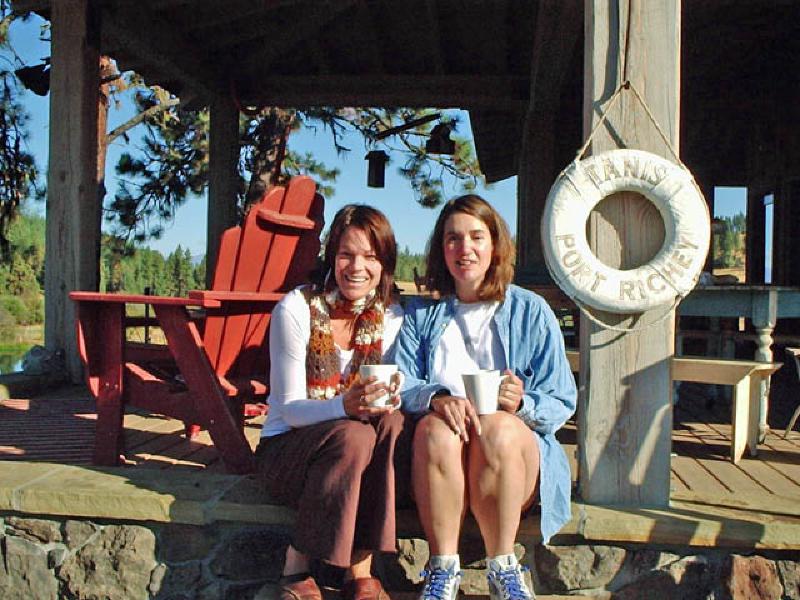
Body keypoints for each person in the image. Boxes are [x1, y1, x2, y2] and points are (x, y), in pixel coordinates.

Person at [393, 195, 577, 600]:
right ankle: (442, 570)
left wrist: (522, 404)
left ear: (495, 245)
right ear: (441, 249)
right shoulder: (421, 314)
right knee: (435, 429)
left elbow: (562, 400)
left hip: (511, 465)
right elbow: (401, 381)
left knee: (497, 427)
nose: (465, 248)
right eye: (453, 239)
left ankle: (504, 568)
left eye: (477, 237)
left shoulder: (531, 311)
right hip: (442, 467)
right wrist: (436, 397)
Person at [256, 204, 407, 600]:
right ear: (331, 257)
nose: (357, 267)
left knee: (390, 424)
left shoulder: (392, 317)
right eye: (346, 254)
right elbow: (289, 409)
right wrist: (344, 406)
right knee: (354, 435)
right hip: (288, 453)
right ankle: (297, 565)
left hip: (353, 453)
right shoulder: (297, 308)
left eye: (370, 256)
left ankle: (360, 569)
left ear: (384, 263)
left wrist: (394, 393)